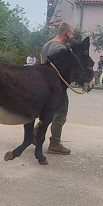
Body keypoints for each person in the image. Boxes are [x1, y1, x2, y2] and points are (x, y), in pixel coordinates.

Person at [39, 22, 75, 155]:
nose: (72, 36)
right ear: (65, 32)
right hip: (56, 86)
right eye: (71, 33)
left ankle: (35, 135)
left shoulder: (47, 44)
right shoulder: (59, 48)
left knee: (48, 112)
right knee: (60, 113)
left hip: (45, 85)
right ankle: (54, 143)